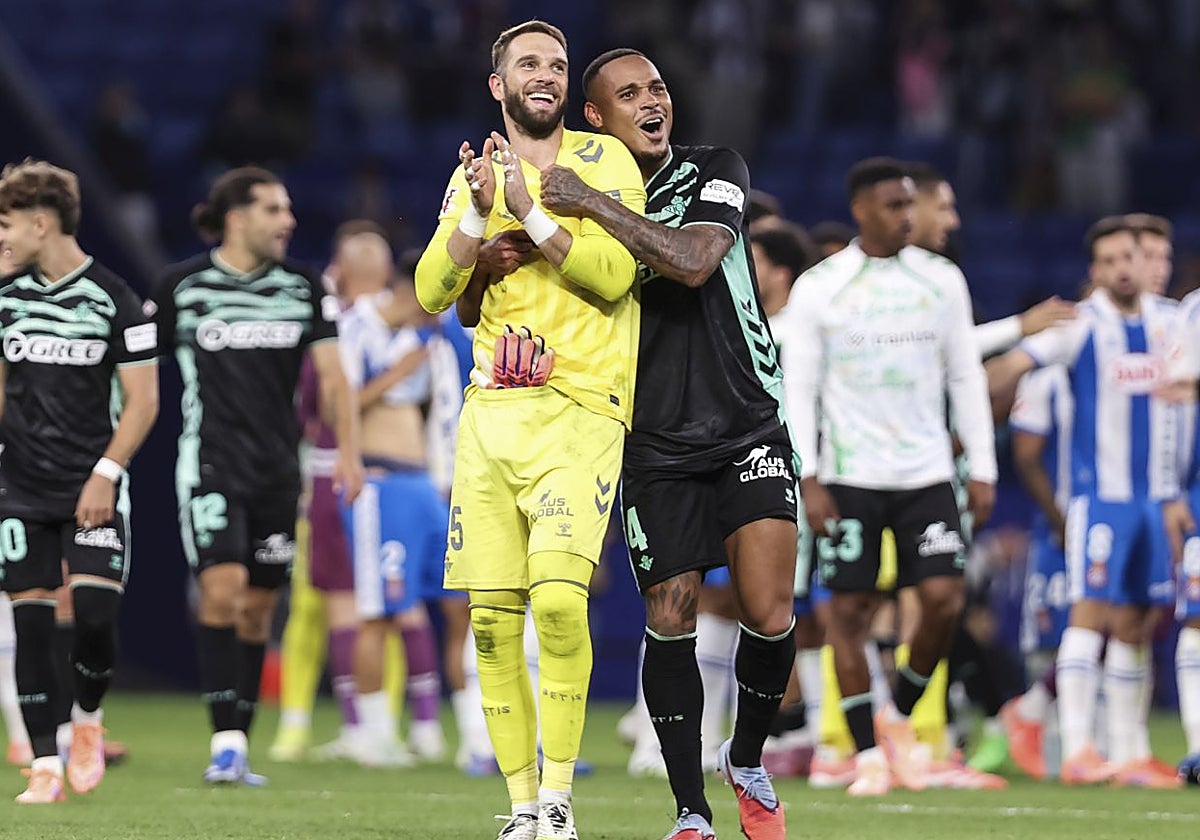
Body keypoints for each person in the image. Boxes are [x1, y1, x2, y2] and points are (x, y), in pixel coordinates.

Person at [538, 48, 797, 840]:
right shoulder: (571, 205)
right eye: (630, 93)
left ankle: (746, 755)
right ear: (596, 118)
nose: (653, 101)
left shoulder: (715, 168)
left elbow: (693, 260)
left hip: (747, 419)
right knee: (672, 614)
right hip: (650, 438)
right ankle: (691, 811)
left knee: (769, 608)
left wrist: (587, 204)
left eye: (657, 88)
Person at [414, 20, 644, 840]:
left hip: (580, 408)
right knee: (488, 617)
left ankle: (557, 800)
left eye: (556, 64)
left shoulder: (603, 161)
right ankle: (518, 809)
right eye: (528, 65)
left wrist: (531, 217)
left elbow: (616, 276)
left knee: (556, 600)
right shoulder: (472, 175)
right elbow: (432, 291)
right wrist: (478, 221)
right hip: (491, 416)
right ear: (498, 87)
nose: (545, 75)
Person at [782, 157, 998, 796]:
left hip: (928, 473)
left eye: (911, 205)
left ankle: (898, 718)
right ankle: (869, 755)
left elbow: (965, 376)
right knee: (847, 613)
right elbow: (800, 388)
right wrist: (809, 476)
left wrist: (981, 468)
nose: (907, 216)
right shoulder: (823, 286)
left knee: (942, 601)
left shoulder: (942, 281)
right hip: (848, 475)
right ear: (861, 211)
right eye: (894, 206)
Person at [152, 166, 363, 786]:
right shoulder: (181, 287)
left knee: (256, 609)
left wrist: (347, 452)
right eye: (274, 209)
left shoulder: (302, 287)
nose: (288, 221)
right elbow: (131, 367)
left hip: (279, 472)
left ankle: (238, 744)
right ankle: (222, 742)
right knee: (221, 591)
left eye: (288, 209)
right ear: (237, 217)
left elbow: (333, 377)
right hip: (209, 465)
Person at [986, 216, 1181, 787]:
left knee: (1138, 623)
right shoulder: (1080, 326)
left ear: (1149, 263)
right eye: (1112, 260)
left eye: (1133, 258)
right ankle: (1077, 749)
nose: (1125, 269)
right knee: (1089, 617)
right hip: (1100, 502)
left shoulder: (1171, 326)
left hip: (1156, 502)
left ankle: (1130, 753)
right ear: (1095, 271)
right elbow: (1012, 366)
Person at [0, 159, 159, 802]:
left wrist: (106, 474)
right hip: (19, 488)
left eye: (6, 225)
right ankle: (43, 765)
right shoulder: (6, 299)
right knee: (32, 627)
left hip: (92, 485)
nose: (1, 239)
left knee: (93, 616)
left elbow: (143, 402)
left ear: (42, 222)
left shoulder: (117, 299)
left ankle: (86, 721)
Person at [337, 232, 449, 767]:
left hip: (420, 483)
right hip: (378, 483)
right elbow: (341, 404)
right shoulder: (357, 326)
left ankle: (425, 727)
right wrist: (394, 378)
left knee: (426, 605)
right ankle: (372, 733)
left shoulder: (416, 335)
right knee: (376, 611)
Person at [1125, 213, 1173, 297]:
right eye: (1148, 256)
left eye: (1165, 258)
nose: (1160, 268)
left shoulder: (1176, 309)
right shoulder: (1095, 308)